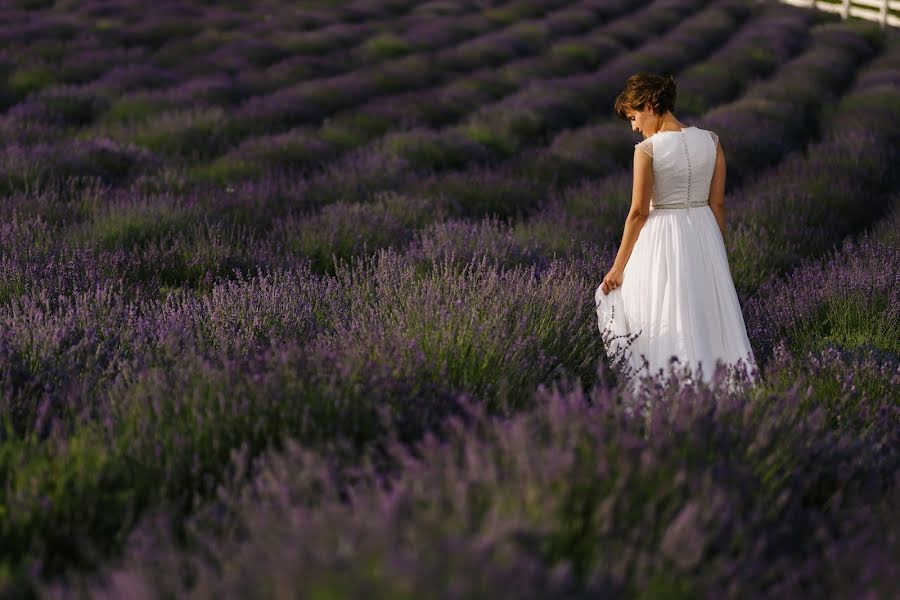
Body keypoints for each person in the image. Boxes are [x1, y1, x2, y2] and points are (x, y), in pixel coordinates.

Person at [594, 73, 756, 389]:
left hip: (659, 241)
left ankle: (669, 394)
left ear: (651, 105)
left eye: (634, 116)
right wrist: (715, 252)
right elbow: (718, 204)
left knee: (660, 317)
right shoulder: (711, 141)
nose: (634, 127)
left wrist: (618, 267)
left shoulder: (647, 150)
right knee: (705, 316)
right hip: (704, 233)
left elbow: (638, 213)